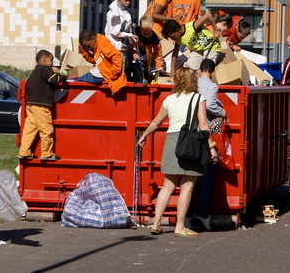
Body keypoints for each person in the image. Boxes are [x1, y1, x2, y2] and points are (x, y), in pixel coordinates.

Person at [137, 68, 218, 237]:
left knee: (167, 186)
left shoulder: (169, 99)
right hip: (192, 143)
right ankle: (180, 226)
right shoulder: (198, 98)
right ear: (192, 80)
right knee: (187, 187)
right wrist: (211, 147)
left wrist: (144, 135)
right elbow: (204, 125)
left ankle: (156, 223)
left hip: (172, 142)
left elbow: (157, 121)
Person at [191, 59, 228, 231]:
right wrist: (224, 112)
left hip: (188, 133)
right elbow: (211, 105)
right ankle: (203, 214)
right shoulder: (212, 87)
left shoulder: (191, 83)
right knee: (208, 175)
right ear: (212, 73)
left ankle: (185, 213)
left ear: (199, 70)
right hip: (203, 134)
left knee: (189, 176)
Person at [18, 50, 67, 161]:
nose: (52, 63)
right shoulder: (45, 69)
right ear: (44, 59)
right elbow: (53, 79)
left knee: (30, 129)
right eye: (51, 60)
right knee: (46, 129)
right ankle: (47, 153)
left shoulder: (35, 71)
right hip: (41, 105)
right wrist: (63, 76)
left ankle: (24, 151)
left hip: (31, 104)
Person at [77, 30, 126, 94]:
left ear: (93, 38)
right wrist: (83, 51)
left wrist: (114, 73)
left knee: (76, 82)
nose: (88, 49)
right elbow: (93, 60)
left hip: (101, 75)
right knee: (77, 81)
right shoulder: (96, 45)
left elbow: (116, 55)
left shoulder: (102, 43)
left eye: (88, 46)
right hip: (102, 75)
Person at [104, 0, 138, 72]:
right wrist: (130, 35)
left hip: (122, 47)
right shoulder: (115, 12)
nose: (128, 3)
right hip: (116, 47)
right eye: (126, 0)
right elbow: (115, 32)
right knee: (119, 72)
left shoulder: (123, 10)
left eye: (130, 0)